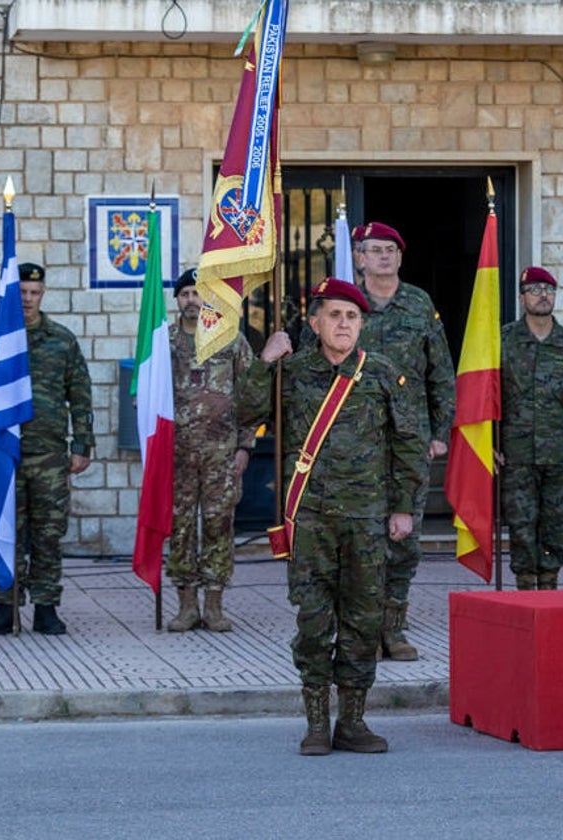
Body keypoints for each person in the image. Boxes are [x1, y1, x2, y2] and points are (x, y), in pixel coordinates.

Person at [238, 278, 427, 756]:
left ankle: (354, 721)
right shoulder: (292, 371)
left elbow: (408, 445)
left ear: (361, 325)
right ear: (316, 322)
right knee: (314, 622)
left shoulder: (383, 373)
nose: (344, 324)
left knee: (364, 621)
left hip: (367, 519)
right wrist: (266, 361)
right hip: (311, 519)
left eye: (352, 317)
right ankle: (317, 723)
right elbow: (247, 410)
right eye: (335, 315)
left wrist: (403, 506)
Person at [303, 221, 455, 660]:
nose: (384, 256)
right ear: (360, 258)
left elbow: (439, 371)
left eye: (391, 249)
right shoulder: (344, 305)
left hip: (409, 440)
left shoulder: (418, 303)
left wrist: (440, 432)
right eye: (375, 250)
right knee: (360, 539)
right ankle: (359, 632)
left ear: (400, 258)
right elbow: (312, 364)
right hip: (355, 440)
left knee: (403, 539)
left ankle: (394, 629)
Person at [0, 262, 94, 636]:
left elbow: (80, 395)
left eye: (34, 293)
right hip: (1, 457)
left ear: (42, 295)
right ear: (12, 294)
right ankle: (5, 607)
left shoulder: (62, 340)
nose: (27, 299)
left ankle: (46, 607)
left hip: (48, 457)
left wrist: (82, 445)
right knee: (5, 530)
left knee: (47, 533)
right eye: (22, 292)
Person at [167, 268, 257, 632]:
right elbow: (147, 393)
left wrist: (245, 447)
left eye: (197, 293)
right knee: (181, 527)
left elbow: (251, 395)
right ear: (178, 299)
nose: (191, 299)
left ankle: (214, 606)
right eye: (185, 293)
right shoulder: (163, 342)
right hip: (177, 455)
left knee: (219, 526)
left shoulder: (230, 339)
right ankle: (186, 605)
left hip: (222, 453)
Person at [498, 266, 563, 590]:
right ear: (521, 298)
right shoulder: (503, 340)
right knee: (520, 522)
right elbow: (488, 393)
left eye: (548, 290)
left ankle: (549, 584)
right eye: (534, 290)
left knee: (556, 522)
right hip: (516, 452)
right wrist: (489, 439)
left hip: (559, 452)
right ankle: (525, 584)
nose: (542, 295)